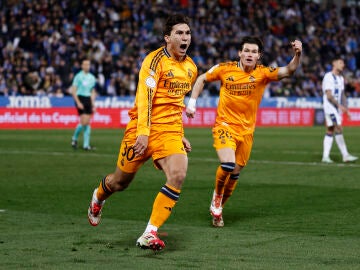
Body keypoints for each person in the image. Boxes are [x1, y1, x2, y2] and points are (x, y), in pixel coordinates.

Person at [87, 14, 197, 251]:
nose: (184, 37)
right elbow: (145, 99)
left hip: (168, 131)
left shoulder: (191, 68)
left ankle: (150, 233)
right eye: (179, 33)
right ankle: (98, 197)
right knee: (119, 182)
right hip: (141, 129)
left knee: (178, 174)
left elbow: (176, 104)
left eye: (187, 33)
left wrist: (179, 133)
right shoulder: (154, 61)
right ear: (167, 38)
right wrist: (143, 133)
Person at [186, 36, 302, 227]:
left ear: (259, 56)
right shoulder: (225, 68)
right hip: (225, 126)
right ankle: (216, 197)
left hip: (247, 132)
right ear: (240, 53)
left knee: (235, 174)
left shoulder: (263, 73)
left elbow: (289, 70)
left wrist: (297, 54)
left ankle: (218, 210)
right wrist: (192, 103)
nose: (249, 54)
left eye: (254, 52)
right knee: (228, 164)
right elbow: (201, 79)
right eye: (246, 51)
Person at [321, 57, 358, 163]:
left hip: (336, 108)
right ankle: (345, 155)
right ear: (334, 63)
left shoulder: (341, 78)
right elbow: (328, 95)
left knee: (330, 130)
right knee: (339, 128)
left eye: (343, 63)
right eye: (340, 62)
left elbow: (342, 95)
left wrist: (346, 109)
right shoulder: (328, 76)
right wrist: (339, 106)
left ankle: (325, 157)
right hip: (330, 107)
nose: (343, 65)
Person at [70, 59, 97, 150]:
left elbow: (92, 91)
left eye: (88, 64)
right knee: (84, 122)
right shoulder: (78, 76)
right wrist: (78, 102)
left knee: (87, 123)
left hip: (88, 99)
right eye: (85, 64)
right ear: (82, 66)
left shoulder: (92, 77)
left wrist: (93, 104)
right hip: (80, 98)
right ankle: (75, 138)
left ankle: (85, 145)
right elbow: (73, 90)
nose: (87, 66)